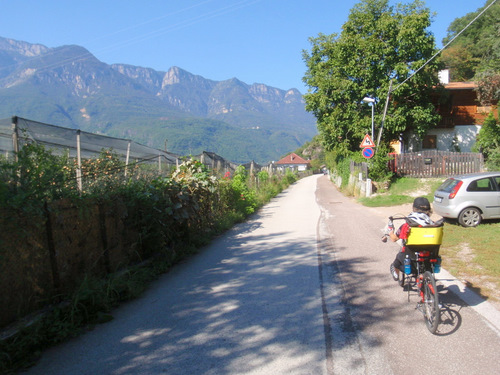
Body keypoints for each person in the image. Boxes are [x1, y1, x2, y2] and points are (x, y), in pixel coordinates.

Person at [387, 197, 435, 281]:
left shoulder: (408, 225)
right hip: (429, 255)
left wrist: (390, 232)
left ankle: (396, 273)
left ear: (414, 208)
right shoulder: (433, 225)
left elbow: (394, 239)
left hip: (412, 257)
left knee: (398, 259)